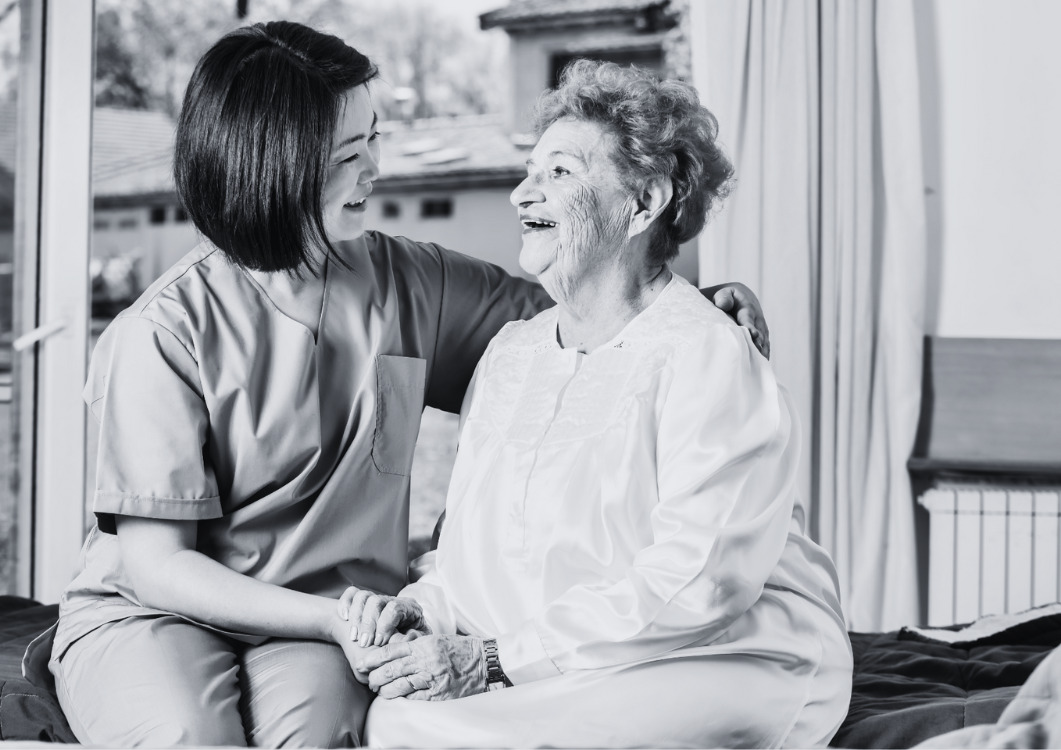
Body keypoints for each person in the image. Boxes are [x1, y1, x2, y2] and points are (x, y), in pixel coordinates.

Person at [23, 22, 770, 749]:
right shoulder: (162, 332)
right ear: (277, 167)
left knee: (321, 736)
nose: (377, 167)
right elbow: (158, 565)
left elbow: (590, 319)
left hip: (334, 617)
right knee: (187, 736)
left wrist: (697, 307)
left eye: (374, 137)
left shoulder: (414, 281)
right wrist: (333, 622)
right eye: (351, 152)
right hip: (165, 614)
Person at [341, 60, 853, 749]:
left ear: (643, 203)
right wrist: (418, 613)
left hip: (711, 652)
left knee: (442, 731)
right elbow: (467, 551)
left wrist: (491, 661)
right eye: (529, 171)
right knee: (399, 718)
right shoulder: (511, 354)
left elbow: (698, 584)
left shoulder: (708, 354)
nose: (524, 192)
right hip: (543, 658)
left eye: (560, 172)